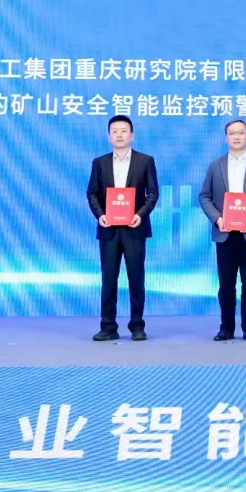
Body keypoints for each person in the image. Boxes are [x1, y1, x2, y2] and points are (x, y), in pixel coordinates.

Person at [198, 120, 246, 342]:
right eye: (232, 133)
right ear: (226, 137)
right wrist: (217, 218)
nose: (236, 137)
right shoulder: (215, 166)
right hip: (224, 233)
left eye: (240, 133)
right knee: (226, 285)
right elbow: (204, 196)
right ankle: (226, 328)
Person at [85, 115, 159, 342]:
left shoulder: (145, 161)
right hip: (109, 230)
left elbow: (153, 193)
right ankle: (108, 326)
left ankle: (137, 326)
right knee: (109, 279)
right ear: (109, 136)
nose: (119, 135)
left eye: (124, 131)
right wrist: (101, 215)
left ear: (132, 135)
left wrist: (139, 215)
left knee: (136, 278)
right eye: (115, 131)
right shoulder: (99, 163)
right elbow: (92, 193)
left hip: (134, 228)